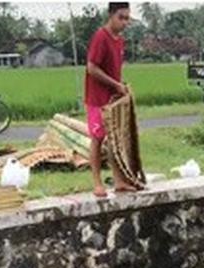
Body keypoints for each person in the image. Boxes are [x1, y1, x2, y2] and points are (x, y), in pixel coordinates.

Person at [84, 2, 135, 198]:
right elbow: (92, 68)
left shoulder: (119, 40)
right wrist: (115, 84)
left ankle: (119, 180)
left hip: (113, 98)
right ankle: (97, 183)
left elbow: (114, 69)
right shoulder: (101, 37)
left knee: (115, 139)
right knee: (97, 139)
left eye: (127, 18)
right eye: (121, 17)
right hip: (97, 98)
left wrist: (120, 87)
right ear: (111, 15)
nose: (125, 22)